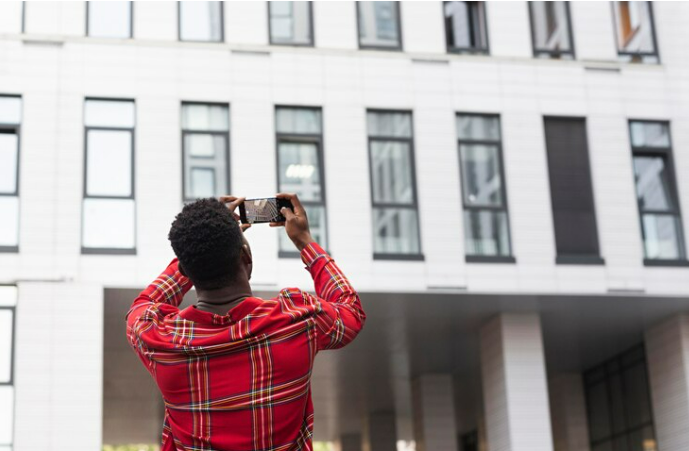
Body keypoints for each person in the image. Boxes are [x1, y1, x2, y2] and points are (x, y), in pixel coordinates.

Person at [126, 193, 365, 451]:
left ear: (185, 271)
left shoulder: (158, 339)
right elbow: (350, 311)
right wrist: (304, 240)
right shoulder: (298, 320)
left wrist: (194, 252)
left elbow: (141, 306)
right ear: (247, 260)